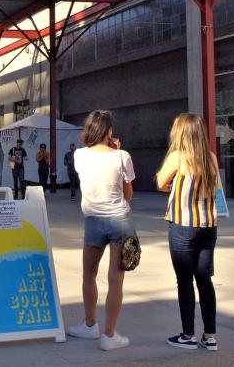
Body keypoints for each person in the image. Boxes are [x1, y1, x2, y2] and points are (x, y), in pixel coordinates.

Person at [67, 110, 134, 351]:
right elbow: (128, 194)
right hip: (119, 220)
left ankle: (89, 324)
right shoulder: (122, 156)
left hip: (93, 219)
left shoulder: (79, 155)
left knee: (89, 274)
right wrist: (117, 151)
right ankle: (109, 335)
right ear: (109, 131)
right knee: (115, 279)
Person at [156, 113, 219, 352]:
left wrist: (173, 186)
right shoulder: (211, 158)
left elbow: (161, 183)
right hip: (208, 225)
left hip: (183, 224)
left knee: (184, 281)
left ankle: (188, 335)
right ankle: (210, 336)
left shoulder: (178, 157)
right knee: (205, 280)